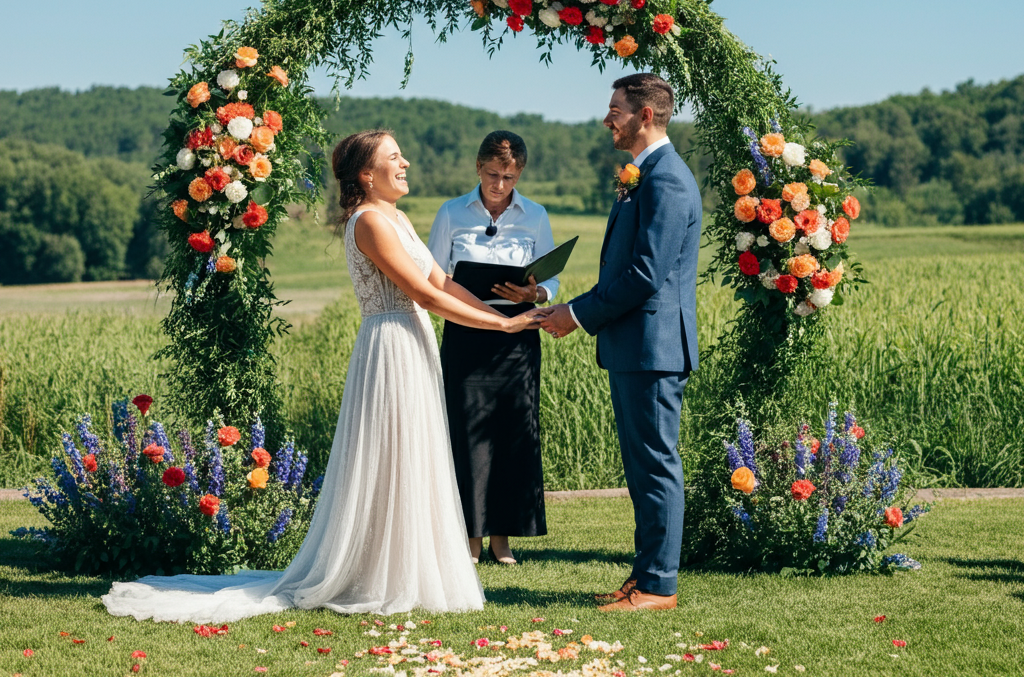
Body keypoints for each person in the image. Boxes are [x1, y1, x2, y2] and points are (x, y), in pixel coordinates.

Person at [102, 130, 545, 622]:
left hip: (414, 343)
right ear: (365, 174)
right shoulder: (370, 222)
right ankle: (374, 572)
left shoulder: (397, 218)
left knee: (413, 454)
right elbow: (425, 295)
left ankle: (405, 568)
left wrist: (502, 313)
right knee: (389, 454)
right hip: (390, 346)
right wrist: (504, 322)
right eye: (394, 157)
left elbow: (443, 281)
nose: (407, 163)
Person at [538, 74, 701, 613]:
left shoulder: (667, 180)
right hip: (636, 347)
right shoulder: (644, 175)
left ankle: (659, 586)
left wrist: (577, 314)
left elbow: (645, 274)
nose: (607, 119)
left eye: (616, 110)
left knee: (656, 464)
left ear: (645, 116)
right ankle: (644, 576)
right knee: (642, 466)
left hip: (655, 348)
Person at [428, 130, 559, 565]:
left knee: (513, 434)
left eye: (508, 176)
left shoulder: (536, 215)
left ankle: (503, 539)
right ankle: (469, 539)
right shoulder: (451, 213)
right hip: (465, 339)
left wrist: (535, 296)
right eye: (491, 174)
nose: (499, 184)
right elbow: (433, 275)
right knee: (466, 436)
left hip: (518, 335)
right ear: (477, 168)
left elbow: (552, 280)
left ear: (519, 173)